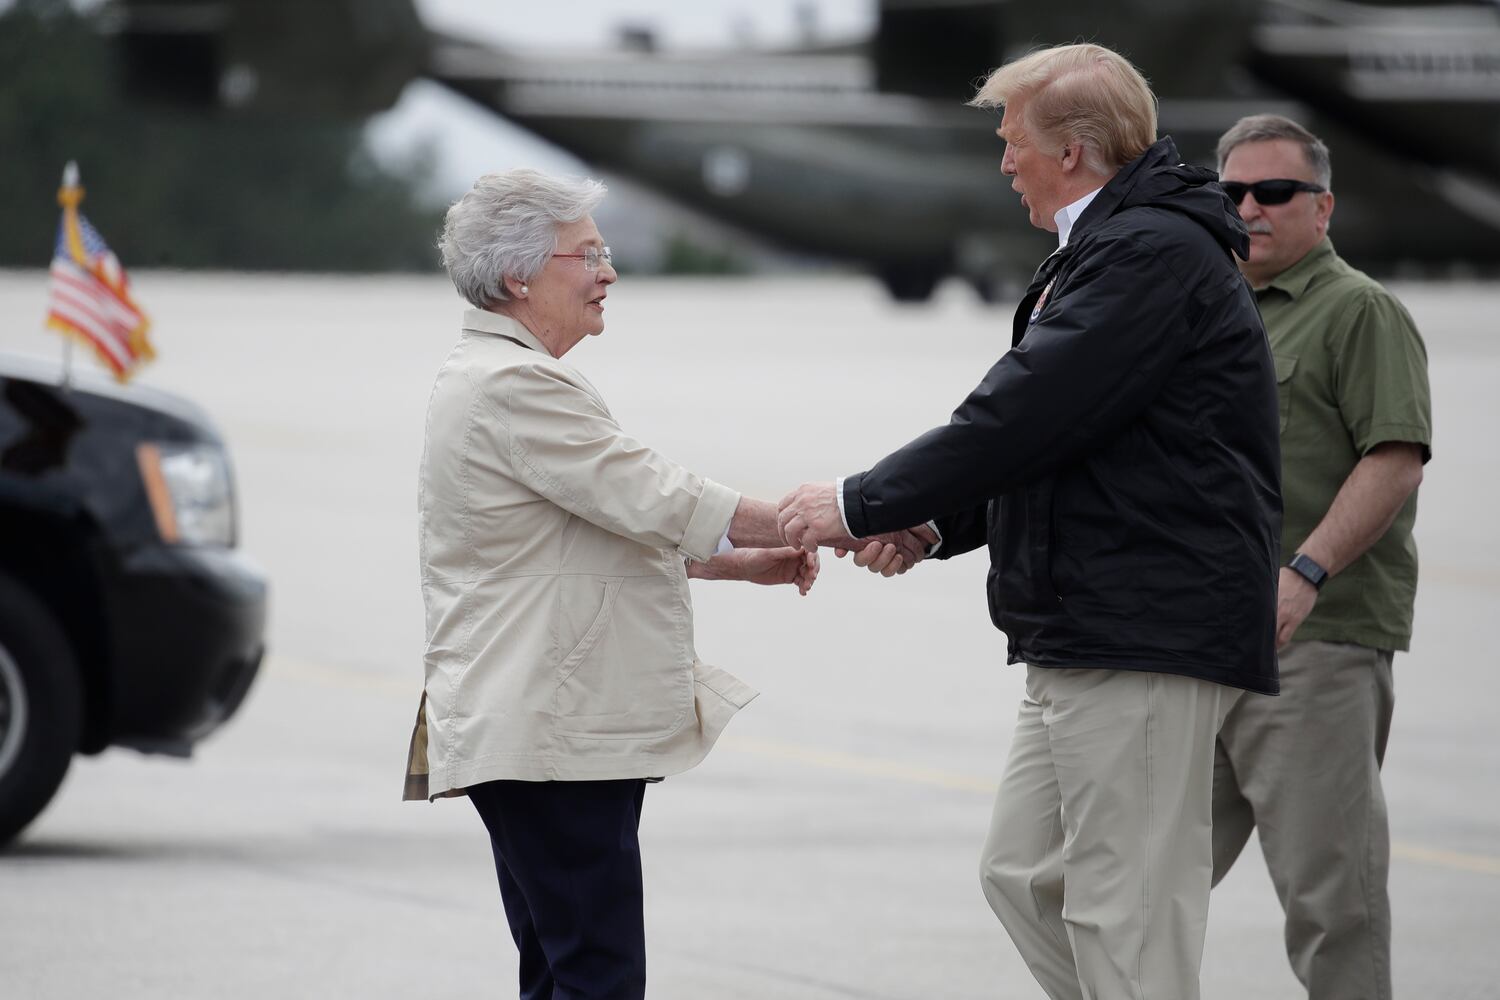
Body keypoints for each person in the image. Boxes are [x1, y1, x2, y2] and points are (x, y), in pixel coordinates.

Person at [778, 43, 1281, 999]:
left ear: (1078, 149)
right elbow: (1056, 434)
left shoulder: (1152, 253)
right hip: (1083, 624)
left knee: (1126, 911)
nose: (1004, 162)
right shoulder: (1110, 246)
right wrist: (932, 528)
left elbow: (1024, 410)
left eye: (1015, 142)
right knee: (1022, 876)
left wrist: (860, 503)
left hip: (1146, 627)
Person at [402, 169, 919, 1000]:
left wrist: (735, 562)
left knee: (563, 971)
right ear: (517, 277)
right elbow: (649, 491)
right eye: (589, 254)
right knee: (596, 978)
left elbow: (590, 528)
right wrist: (828, 516)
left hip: (535, 728)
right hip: (549, 736)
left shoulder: (493, 377)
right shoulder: (514, 383)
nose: (609, 272)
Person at [1210, 115, 1431, 1000]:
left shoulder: (1360, 312)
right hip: (1195, 644)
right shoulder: (1206, 307)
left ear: (1324, 206)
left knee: (1330, 903)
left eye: (1275, 193)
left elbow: (1395, 458)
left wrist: (1305, 573)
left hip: (1316, 645)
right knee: (1130, 884)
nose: (1251, 210)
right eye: (1231, 194)